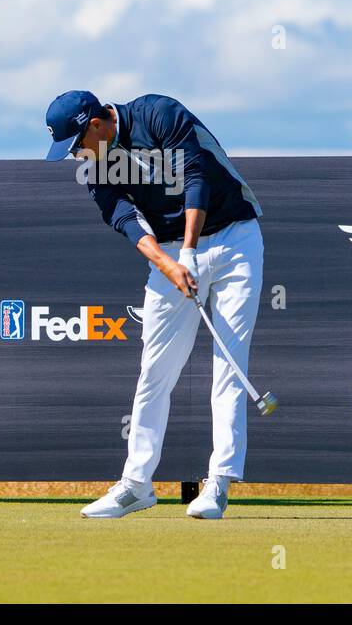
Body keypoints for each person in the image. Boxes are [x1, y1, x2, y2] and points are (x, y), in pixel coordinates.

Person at [44, 90, 264, 520]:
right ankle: (136, 486)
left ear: (95, 125)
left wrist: (189, 251)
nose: (77, 156)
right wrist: (169, 263)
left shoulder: (158, 114)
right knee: (155, 372)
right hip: (169, 252)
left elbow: (196, 175)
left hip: (235, 236)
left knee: (229, 363)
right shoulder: (98, 162)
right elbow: (121, 216)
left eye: (76, 145)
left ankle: (217, 483)